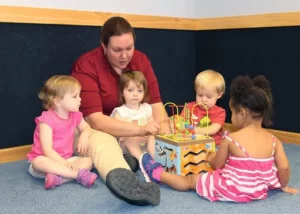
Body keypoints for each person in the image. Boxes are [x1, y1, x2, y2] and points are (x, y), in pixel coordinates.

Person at [146, 75, 299, 202]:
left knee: (190, 180)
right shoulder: (274, 140)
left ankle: (157, 173)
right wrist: (282, 185)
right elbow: (284, 168)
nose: (231, 117)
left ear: (242, 114)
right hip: (258, 188)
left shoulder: (232, 139)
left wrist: (209, 156)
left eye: (232, 113)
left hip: (231, 188)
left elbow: (217, 165)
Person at [71, 16, 171, 206]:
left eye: (129, 48)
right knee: (103, 142)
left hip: (137, 128)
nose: (124, 56)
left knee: (169, 130)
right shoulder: (86, 65)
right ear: (104, 46)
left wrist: (165, 135)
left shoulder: (141, 60)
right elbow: (96, 121)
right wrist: (141, 130)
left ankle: (131, 158)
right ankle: (128, 180)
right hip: (97, 130)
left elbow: (157, 106)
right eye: (117, 50)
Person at [27, 75, 98, 190]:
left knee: (88, 161)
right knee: (39, 162)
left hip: (67, 159)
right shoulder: (46, 121)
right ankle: (76, 175)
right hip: (48, 161)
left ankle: (60, 179)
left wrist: (84, 136)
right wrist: (65, 165)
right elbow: (47, 150)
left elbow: (86, 128)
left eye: (79, 95)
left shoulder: (75, 115)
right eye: (75, 96)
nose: (80, 99)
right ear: (58, 101)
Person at [110, 70, 157, 182]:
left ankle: (153, 161)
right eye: (130, 90)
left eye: (139, 90)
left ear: (144, 92)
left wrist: (151, 132)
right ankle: (144, 164)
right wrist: (138, 136)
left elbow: (153, 125)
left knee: (152, 137)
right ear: (122, 92)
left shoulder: (146, 108)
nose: (135, 94)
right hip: (127, 148)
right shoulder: (119, 112)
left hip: (144, 146)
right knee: (129, 141)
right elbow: (121, 135)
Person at [177, 70, 226, 146]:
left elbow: (213, 129)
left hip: (213, 146)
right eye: (200, 95)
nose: (203, 99)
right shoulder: (189, 107)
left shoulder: (220, 112)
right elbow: (181, 123)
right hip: (190, 144)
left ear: (219, 95)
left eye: (209, 96)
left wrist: (193, 130)